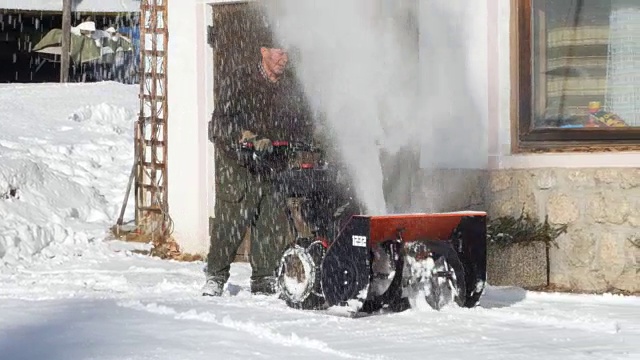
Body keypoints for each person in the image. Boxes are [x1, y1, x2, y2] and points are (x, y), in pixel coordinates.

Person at [202, 31, 315, 296]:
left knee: (271, 224)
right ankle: (216, 276)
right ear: (263, 51)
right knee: (231, 224)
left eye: (286, 52)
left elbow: (301, 124)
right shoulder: (240, 80)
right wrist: (246, 137)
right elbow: (220, 124)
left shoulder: (291, 86)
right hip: (239, 167)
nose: (283, 58)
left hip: (274, 166)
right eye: (277, 51)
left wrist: (300, 142)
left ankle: (264, 278)